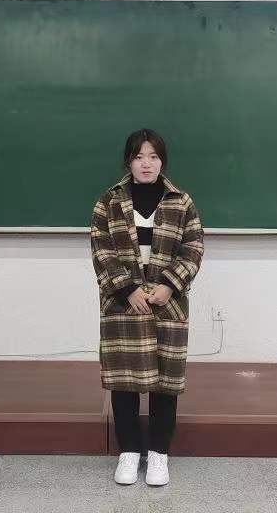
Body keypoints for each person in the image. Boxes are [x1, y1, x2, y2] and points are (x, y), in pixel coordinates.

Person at [90, 128, 204, 486]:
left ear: (162, 162)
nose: (146, 163)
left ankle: (158, 454)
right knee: (124, 382)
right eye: (139, 156)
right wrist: (126, 289)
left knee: (164, 383)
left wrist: (169, 285)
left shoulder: (180, 202)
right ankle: (128, 452)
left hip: (168, 304)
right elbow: (101, 249)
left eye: (153, 157)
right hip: (123, 305)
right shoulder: (108, 201)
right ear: (128, 161)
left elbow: (193, 248)